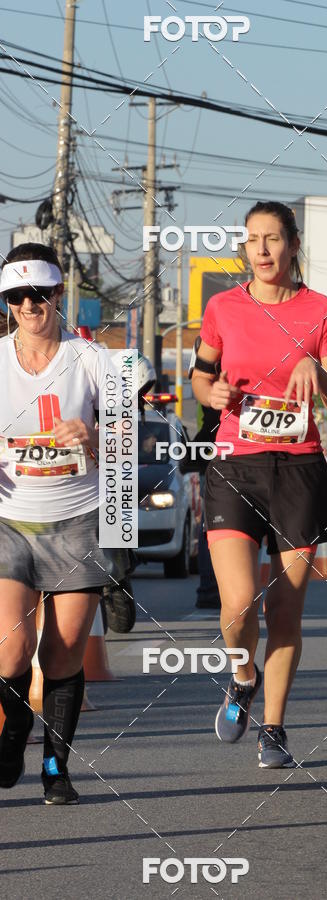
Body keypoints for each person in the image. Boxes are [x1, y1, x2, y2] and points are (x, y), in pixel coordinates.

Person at [191, 201, 327, 768]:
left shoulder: (320, 310)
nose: (261, 249)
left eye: (273, 238)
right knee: (237, 606)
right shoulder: (223, 307)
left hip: (300, 471)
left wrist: (319, 373)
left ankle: (274, 726)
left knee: (285, 611)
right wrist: (208, 394)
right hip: (235, 466)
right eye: (253, 239)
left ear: (293, 245)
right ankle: (241, 674)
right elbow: (201, 373)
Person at [0, 243, 127, 804]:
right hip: (9, 521)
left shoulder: (96, 360)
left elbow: (130, 448)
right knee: (9, 649)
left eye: (39, 295)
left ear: (58, 295)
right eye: (16, 296)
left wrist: (96, 438)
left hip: (77, 520)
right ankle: (13, 726)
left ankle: (56, 767)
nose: (29, 306)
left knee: (63, 650)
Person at [188, 335, 221, 609]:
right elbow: (197, 380)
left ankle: (212, 589)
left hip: (215, 443)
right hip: (214, 443)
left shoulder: (204, 343)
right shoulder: (205, 343)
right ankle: (210, 589)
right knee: (212, 522)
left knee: (213, 523)